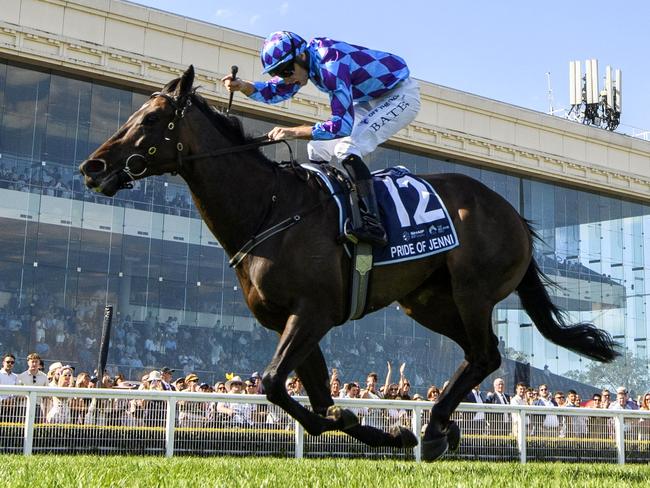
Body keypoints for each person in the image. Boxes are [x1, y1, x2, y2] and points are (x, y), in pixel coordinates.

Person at [222, 31, 421, 246]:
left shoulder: (331, 64)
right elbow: (278, 90)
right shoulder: (307, 61)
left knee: (347, 147)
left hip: (400, 95)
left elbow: (341, 126)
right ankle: (325, 214)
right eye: (278, 72)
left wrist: (293, 131)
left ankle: (374, 225)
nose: (286, 77)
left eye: (286, 70)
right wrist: (243, 86)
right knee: (317, 149)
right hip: (370, 98)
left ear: (302, 57)